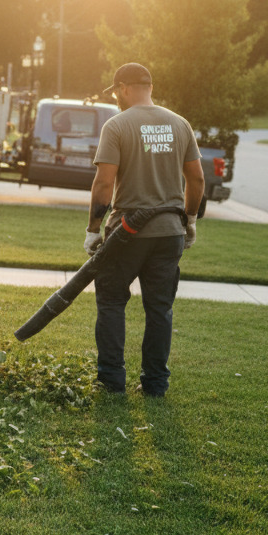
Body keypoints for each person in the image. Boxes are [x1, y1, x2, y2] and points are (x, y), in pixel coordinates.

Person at [87, 62, 204, 397]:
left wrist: (93, 229)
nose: (117, 99)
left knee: (110, 302)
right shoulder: (180, 124)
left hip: (128, 232)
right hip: (169, 232)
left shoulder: (117, 125)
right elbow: (195, 179)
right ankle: (155, 384)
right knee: (160, 308)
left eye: (116, 93)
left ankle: (111, 381)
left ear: (124, 88)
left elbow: (103, 183)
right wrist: (190, 220)